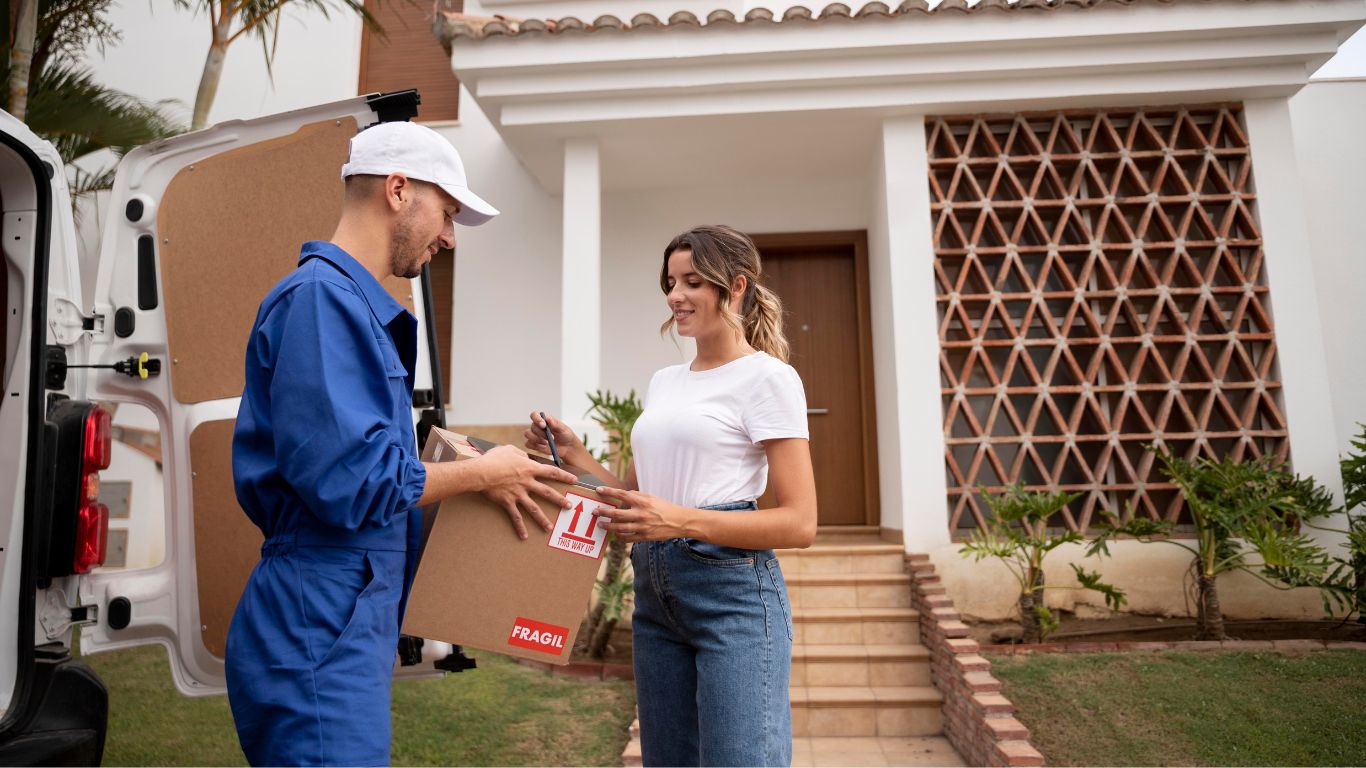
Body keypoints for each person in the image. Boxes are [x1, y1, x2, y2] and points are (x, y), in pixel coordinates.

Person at [226, 120, 578, 768]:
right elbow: (351, 483)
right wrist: (482, 474)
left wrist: (449, 464)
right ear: (397, 190)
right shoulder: (320, 302)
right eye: (446, 213)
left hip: (342, 616)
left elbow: (369, 468)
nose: (448, 236)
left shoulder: (350, 306)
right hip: (319, 622)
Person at [525, 224, 818, 767]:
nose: (674, 296)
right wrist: (575, 457)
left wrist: (680, 521)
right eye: (669, 282)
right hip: (656, 596)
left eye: (691, 282)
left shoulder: (768, 379)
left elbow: (800, 523)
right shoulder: (666, 382)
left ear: (735, 285)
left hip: (731, 595)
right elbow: (633, 499)